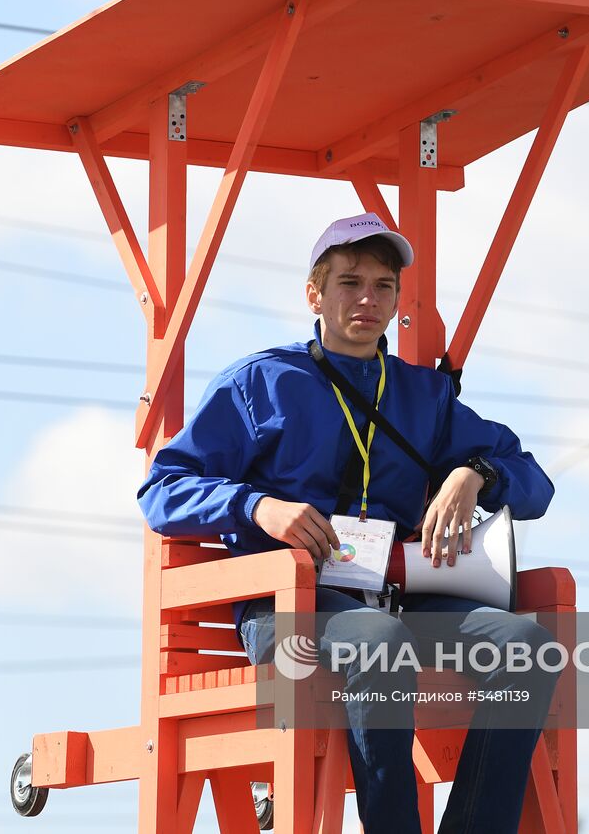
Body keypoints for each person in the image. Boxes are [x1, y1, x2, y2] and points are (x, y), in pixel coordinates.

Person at [137, 212, 557, 833]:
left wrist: (475, 476)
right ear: (315, 293)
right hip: (288, 612)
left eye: (384, 286)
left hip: (396, 601)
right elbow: (162, 488)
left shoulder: (425, 397)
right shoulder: (260, 383)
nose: (368, 299)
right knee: (380, 645)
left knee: (528, 648)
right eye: (349, 282)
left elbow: (534, 481)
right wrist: (258, 507)